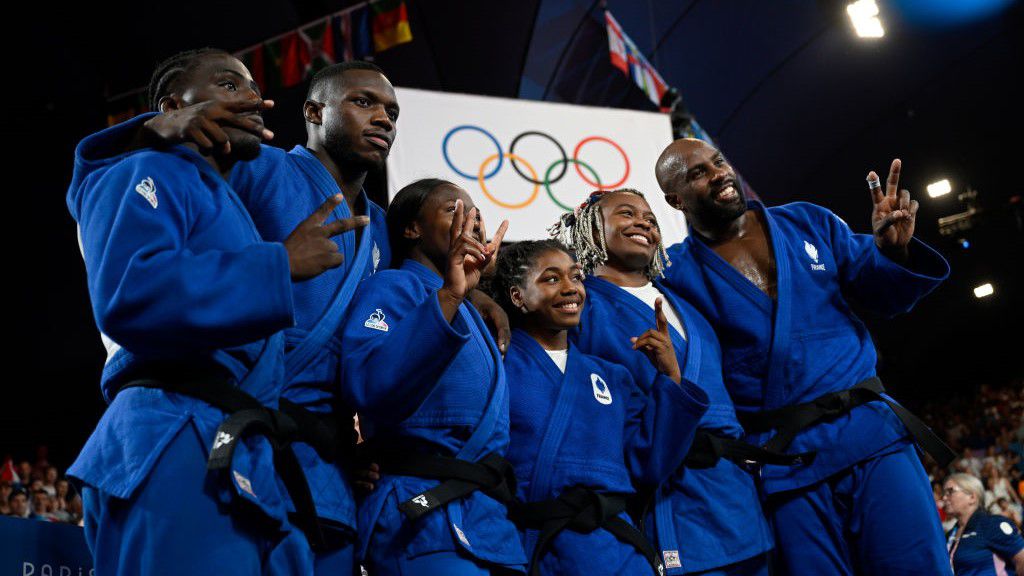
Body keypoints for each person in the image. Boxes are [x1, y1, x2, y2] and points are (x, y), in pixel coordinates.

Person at [72, 60, 511, 574]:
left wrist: (480, 300)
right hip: (221, 421)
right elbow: (139, 189)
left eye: (391, 110)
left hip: (325, 463)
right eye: (363, 102)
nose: (383, 119)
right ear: (313, 111)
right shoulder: (262, 166)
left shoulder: (380, 233)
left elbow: (415, 296)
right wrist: (151, 130)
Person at [66, 48, 354, 575]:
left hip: (240, 448)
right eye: (228, 84)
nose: (251, 98)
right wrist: (278, 265)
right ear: (175, 106)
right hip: (175, 435)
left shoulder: (227, 205)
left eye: (252, 88)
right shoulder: (144, 168)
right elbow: (132, 295)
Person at [656, 137, 953, 574]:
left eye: (718, 161)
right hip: (785, 463)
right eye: (698, 172)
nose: (718, 173)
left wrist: (892, 250)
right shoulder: (676, 273)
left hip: (870, 435)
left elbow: (880, 293)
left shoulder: (806, 221)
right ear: (675, 199)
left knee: (918, 566)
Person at [551, 189, 776, 575]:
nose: (643, 222)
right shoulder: (580, 307)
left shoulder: (684, 302)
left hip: (736, 496)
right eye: (626, 214)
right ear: (591, 226)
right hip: (671, 494)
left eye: (651, 219)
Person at [490, 239, 709, 575]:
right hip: (539, 547)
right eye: (551, 279)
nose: (570, 289)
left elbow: (648, 463)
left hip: (618, 549)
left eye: (576, 277)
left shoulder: (610, 375)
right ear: (517, 296)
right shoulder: (497, 367)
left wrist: (671, 376)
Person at [340, 179, 524, 575]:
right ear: (412, 229)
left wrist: (464, 295)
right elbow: (369, 384)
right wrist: (451, 296)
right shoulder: (390, 287)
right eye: (455, 211)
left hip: (488, 521)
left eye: (477, 217)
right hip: (422, 515)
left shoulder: (471, 307)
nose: (472, 224)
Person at [944, 473, 1024, 575]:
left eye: (950, 492)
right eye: (944, 493)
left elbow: (1022, 561)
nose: (944, 498)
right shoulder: (949, 535)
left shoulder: (992, 525)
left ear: (972, 497)